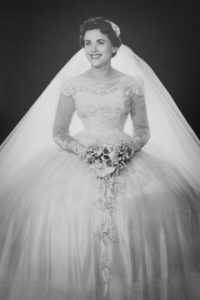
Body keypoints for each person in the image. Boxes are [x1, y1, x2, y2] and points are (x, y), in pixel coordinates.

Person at [0, 16, 200, 300]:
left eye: (100, 42)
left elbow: (142, 129)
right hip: (81, 154)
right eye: (87, 43)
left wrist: (128, 150)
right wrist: (84, 151)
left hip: (122, 150)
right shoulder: (72, 84)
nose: (93, 49)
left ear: (114, 47)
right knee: (63, 208)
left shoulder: (132, 83)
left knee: (146, 205)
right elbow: (59, 131)